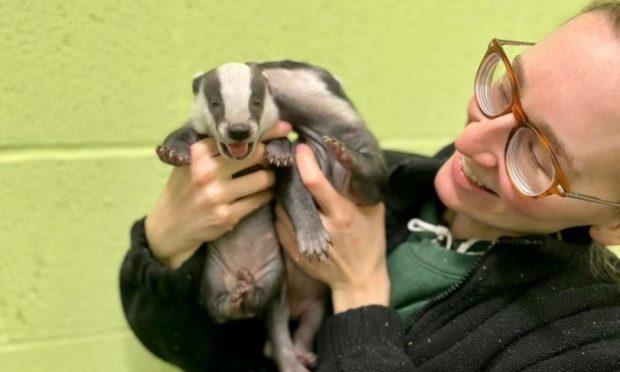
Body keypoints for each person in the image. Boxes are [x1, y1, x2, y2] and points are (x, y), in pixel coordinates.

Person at [120, 2, 620, 371]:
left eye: (537, 153)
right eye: (507, 88)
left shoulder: (590, 344)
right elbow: (204, 350)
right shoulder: (397, 185)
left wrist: (357, 293)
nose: (470, 139)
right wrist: (167, 242)